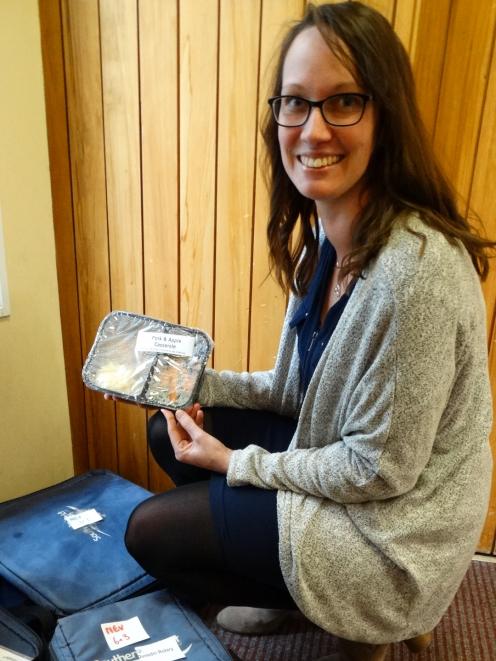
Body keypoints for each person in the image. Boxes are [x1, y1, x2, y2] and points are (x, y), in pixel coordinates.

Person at [123, 3, 495, 660]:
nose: (313, 128)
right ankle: (294, 586)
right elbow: (292, 388)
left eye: (343, 101)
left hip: (393, 533)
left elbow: (376, 469)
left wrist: (237, 464)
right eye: (295, 103)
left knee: (150, 531)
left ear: (386, 117)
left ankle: (361, 614)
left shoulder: (418, 274)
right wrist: (189, 381)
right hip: (351, 465)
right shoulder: (323, 239)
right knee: (168, 427)